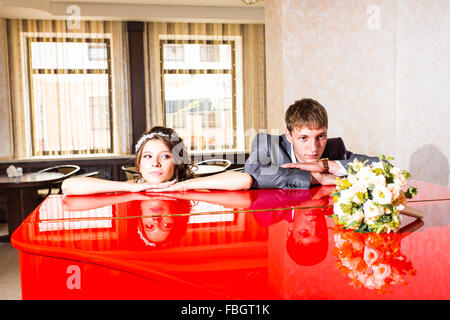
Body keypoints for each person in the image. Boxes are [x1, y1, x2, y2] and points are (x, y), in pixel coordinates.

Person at [62, 126, 253, 195]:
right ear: (139, 163)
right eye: (148, 156)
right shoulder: (131, 186)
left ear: (177, 161)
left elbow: (243, 180)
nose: (155, 163)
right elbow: (68, 186)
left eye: (165, 156)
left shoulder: (190, 187)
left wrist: (183, 185)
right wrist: (131, 188)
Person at [244, 98, 379, 189]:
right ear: (289, 135)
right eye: (303, 138)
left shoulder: (335, 148)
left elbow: (383, 166)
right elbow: (253, 172)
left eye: (320, 136)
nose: (314, 148)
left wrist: (327, 166)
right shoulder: (268, 144)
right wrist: (316, 178)